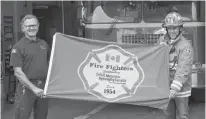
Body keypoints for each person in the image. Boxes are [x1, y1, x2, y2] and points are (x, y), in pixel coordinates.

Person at [10, 14, 50, 119]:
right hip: (26, 88)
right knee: (22, 116)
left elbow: (50, 64)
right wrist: (34, 88)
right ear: (23, 28)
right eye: (28, 26)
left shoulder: (44, 44)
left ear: (38, 26)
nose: (31, 28)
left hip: (43, 88)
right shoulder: (18, 47)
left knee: (41, 116)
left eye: (34, 25)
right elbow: (18, 72)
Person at [158, 12, 193, 119]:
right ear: (166, 29)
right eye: (169, 28)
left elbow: (184, 69)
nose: (172, 31)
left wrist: (174, 88)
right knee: (168, 116)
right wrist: (160, 49)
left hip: (181, 89)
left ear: (180, 29)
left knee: (183, 116)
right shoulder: (162, 42)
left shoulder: (185, 46)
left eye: (175, 28)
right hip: (167, 88)